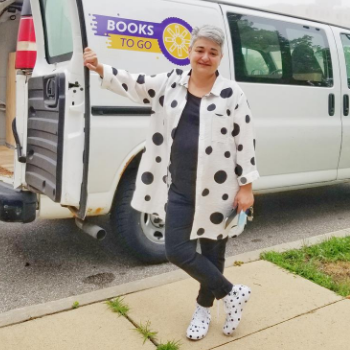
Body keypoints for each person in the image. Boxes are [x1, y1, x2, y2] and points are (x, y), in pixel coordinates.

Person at [83, 24, 259, 341]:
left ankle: (204, 312)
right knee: (177, 250)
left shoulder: (232, 93)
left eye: (213, 52)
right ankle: (232, 293)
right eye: (200, 49)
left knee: (212, 255)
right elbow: (135, 84)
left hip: (220, 191)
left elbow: (244, 140)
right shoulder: (171, 82)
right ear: (190, 51)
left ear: (220, 57)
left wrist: (246, 187)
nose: (205, 57)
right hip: (178, 189)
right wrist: (99, 67)